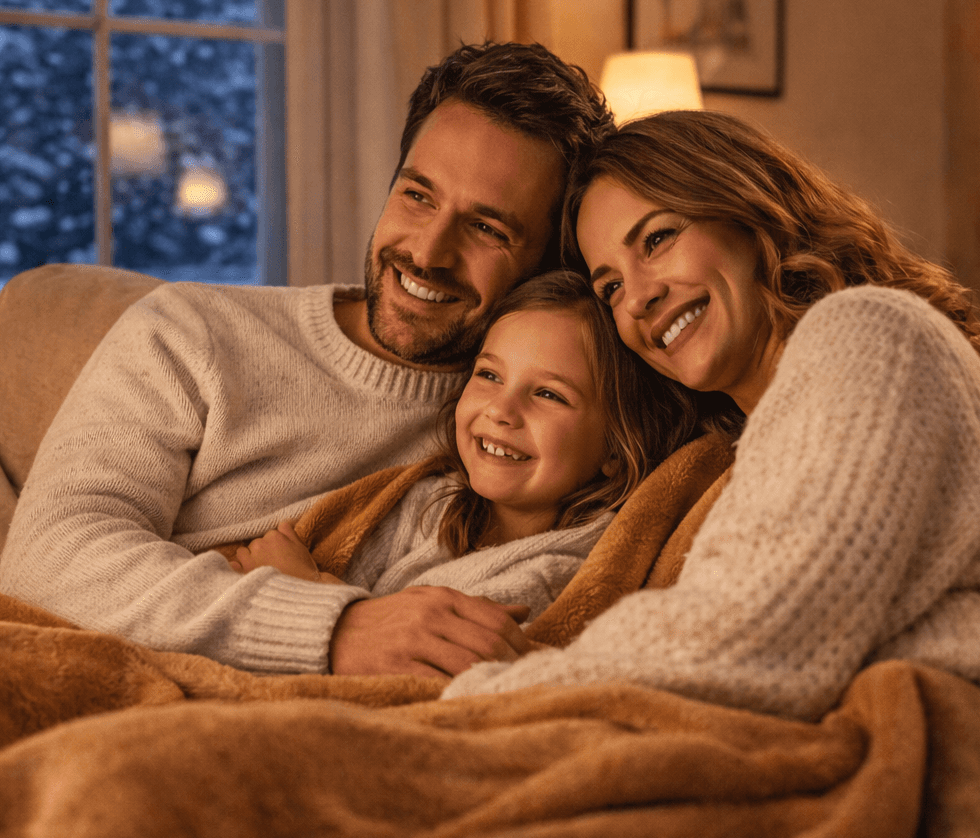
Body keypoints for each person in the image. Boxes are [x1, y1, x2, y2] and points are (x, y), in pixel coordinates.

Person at [442, 110, 980, 742]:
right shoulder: (737, 448)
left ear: (748, 211)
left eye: (658, 238)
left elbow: (760, 634)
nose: (639, 295)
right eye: (610, 286)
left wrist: (477, 702)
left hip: (951, 719)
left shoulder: (870, 334)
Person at [0, 42, 615, 679]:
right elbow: (45, 560)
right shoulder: (189, 332)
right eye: (418, 196)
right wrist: (334, 626)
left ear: (548, 264)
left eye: (488, 228)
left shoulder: (523, 423)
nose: (428, 252)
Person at [225, 271, 703, 676]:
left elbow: (433, 671)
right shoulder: (430, 500)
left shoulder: (558, 575)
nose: (500, 410)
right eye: (490, 376)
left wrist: (306, 589)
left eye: (549, 395)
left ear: (616, 449)